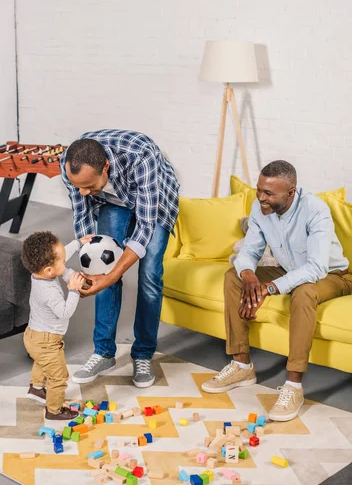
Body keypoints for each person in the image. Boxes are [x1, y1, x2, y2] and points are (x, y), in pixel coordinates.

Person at [201, 160, 351, 421]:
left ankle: (293, 386)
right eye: (260, 190)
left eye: (269, 193)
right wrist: (248, 276)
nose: (261, 198)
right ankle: (241, 365)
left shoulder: (316, 210)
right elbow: (250, 251)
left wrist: (269, 287)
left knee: (304, 292)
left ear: (291, 192)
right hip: (288, 269)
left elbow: (315, 267)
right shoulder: (261, 209)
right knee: (233, 275)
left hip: (331, 275)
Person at [60, 129, 179, 388]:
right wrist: (92, 263)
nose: (83, 192)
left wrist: (111, 276)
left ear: (106, 166)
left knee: (149, 276)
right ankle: (103, 352)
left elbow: (146, 226)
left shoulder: (141, 154)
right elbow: (82, 217)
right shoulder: (70, 164)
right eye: (79, 186)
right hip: (112, 200)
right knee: (103, 267)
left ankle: (143, 353)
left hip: (156, 202)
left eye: (89, 185)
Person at [21, 230, 92, 420]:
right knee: (58, 376)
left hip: (34, 336)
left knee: (41, 361)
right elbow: (65, 312)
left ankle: (36, 389)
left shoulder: (39, 273)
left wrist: (78, 243)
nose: (65, 262)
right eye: (62, 262)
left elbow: (60, 255)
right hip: (47, 341)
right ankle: (54, 410)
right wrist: (74, 290)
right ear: (49, 270)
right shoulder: (48, 292)